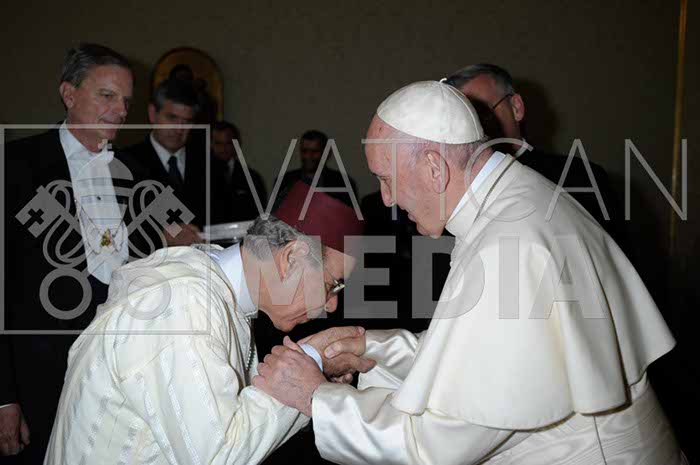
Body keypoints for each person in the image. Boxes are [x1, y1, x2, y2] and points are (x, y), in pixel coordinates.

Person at [253, 81, 687, 464]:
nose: (385, 199)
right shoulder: (513, 202)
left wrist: (316, 397)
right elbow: (476, 358)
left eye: (386, 179)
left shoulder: (507, 245)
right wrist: (372, 347)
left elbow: (436, 445)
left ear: (434, 167)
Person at [44, 185, 372, 464]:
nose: (331, 305)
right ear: (291, 258)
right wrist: (309, 360)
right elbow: (216, 457)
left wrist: (309, 379)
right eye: (332, 285)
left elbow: (236, 423)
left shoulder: (211, 289)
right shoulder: (182, 305)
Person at [1, 43, 133, 462]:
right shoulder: (15, 165)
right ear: (69, 94)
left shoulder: (138, 171)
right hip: (40, 377)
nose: (121, 111)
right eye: (107, 95)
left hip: (123, 375)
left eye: (126, 100)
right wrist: (4, 397)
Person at [444, 63, 621, 239]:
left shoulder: (580, 178)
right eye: (464, 120)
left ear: (516, 108)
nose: (476, 127)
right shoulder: (448, 195)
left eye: (483, 113)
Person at [119, 77, 206, 248]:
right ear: (153, 113)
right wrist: (161, 237)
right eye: (172, 118)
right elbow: (120, 230)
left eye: (187, 121)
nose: (179, 129)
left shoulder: (210, 165)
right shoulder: (126, 163)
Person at [276, 130, 357, 208]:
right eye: (304, 151)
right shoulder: (284, 181)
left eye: (314, 151)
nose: (308, 156)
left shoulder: (342, 182)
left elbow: (349, 215)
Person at [210, 120, 267, 224]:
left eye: (228, 143)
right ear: (211, 144)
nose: (223, 148)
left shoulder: (252, 178)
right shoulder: (199, 176)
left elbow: (259, 215)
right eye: (218, 143)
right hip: (208, 232)